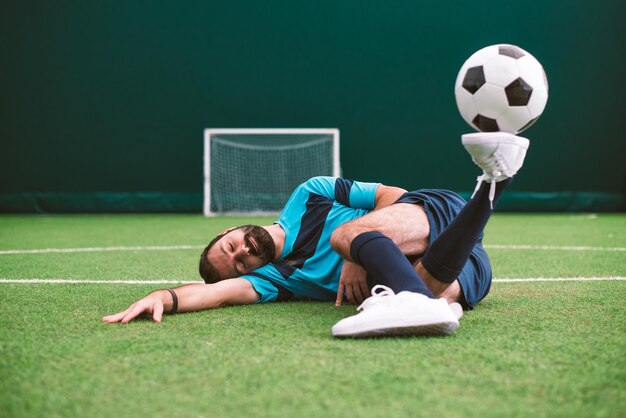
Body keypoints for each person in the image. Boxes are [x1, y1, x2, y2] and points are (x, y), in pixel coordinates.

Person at [102, 132, 529, 338]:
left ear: (230, 229)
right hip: (462, 266)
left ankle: (482, 190)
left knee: (345, 235)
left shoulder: (311, 194)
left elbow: (396, 196)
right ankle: (494, 182)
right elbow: (214, 294)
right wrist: (164, 298)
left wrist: (358, 250)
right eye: (238, 264)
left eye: (231, 246)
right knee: (433, 295)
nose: (242, 255)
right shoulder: (275, 279)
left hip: (433, 213)